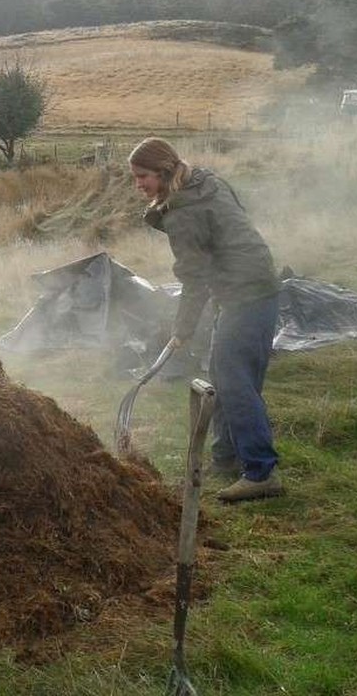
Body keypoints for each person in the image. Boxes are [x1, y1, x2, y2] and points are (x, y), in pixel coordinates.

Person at [127, 137, 284, 502]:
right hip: (255, 286)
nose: (138, 185)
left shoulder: (182, 213)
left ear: (164, 171)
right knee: (227, 375)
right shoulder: (206, 180)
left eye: (143, 176)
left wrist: (181, 330)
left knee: (233, 379)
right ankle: (227, 456)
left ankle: (261, 471)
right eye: (134, 178)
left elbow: (193, 279)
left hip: (246, 294)